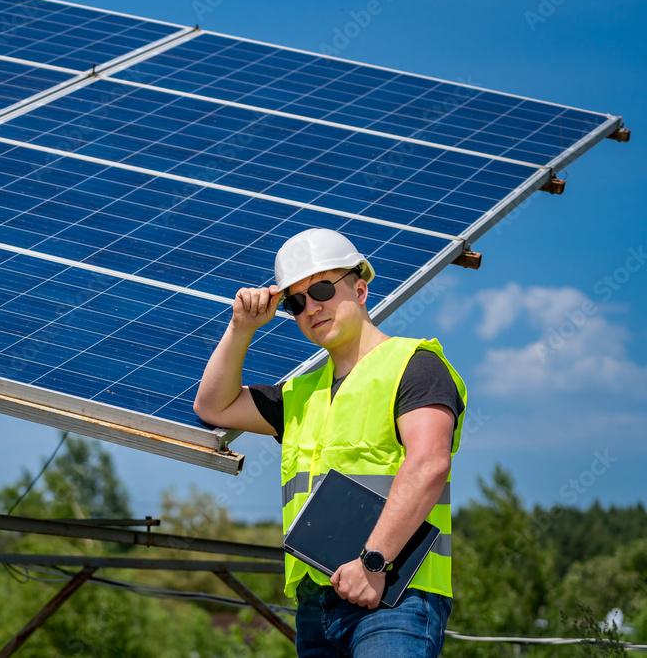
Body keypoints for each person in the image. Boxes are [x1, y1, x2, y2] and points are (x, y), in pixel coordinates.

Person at [194, 228, 466, 657]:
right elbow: (213, 406)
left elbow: (429, 464)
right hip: (316, 604)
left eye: (321, 288)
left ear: (360, 289)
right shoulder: (298, 394)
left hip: (395, 596)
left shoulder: (416, 366)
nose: (310, 308)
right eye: (296, 302)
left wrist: (373, 563)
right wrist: (241, 327)